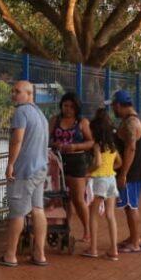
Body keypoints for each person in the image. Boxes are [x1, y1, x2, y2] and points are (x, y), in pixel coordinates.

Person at [0, 79, 51, 267]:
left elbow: (17, 140)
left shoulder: (21, 112)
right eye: (13, 91)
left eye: (18, 91)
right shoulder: (40, 114)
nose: (14, 94)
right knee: (38, 209)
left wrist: (10, 164)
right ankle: (39, 254)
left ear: (29, 94)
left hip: (24, 171)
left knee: (17, 212)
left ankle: (10, 255)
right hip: (40, 169)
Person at [52, 92, 95, 247]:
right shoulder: (55, 120)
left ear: (76, 108)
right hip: (58, 162)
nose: (68, 109)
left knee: (78, 198)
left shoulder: (82, 122)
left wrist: (75, 146)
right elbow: (47, 138)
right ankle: (65, 228)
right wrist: (55, 144)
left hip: (77, 162)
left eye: (71, 106)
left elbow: (91, 142)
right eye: (65, 106)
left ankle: (88, 230)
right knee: (63, 198)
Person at [81, 108, 121, 260]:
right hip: (111, 179)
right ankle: (114, 250)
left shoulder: (98, 145)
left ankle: (93, 249)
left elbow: (97, 162)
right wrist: (109, 169)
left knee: (93, 214)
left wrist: (88, 171)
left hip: (100, 180)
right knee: (110, 215)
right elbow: (119, 162)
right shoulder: (112, 146)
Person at [112, 91, 141, 254]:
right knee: (128, 206)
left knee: (131, 206)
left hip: (131, 173)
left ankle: (135, 242)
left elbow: (131, 148)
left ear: (118, 105)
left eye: (113, 106)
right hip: (133, 171)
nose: (113, 109)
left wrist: (124, 173)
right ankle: (134, 237)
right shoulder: (130, 120)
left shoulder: (131, 123)